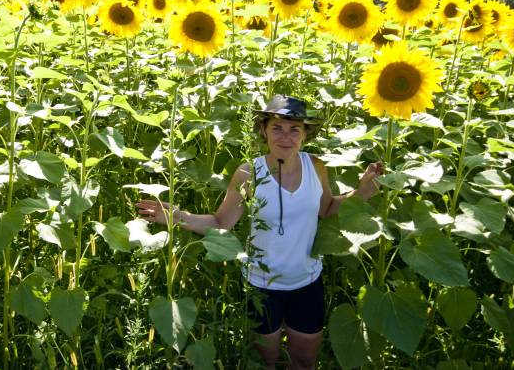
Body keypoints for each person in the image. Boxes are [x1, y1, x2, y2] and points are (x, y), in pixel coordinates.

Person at [136, 95, 383, 370]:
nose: (285, 137)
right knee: (265, 361)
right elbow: (220, 223)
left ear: (305, 134)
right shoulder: (249, 173)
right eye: (277, 128)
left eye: (294, 129)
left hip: (307, 282)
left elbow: (326, 209)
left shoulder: (315, 166)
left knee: (304, 361)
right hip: (262, 286)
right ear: (264, 130)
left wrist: (360, 193)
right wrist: (175, 216)